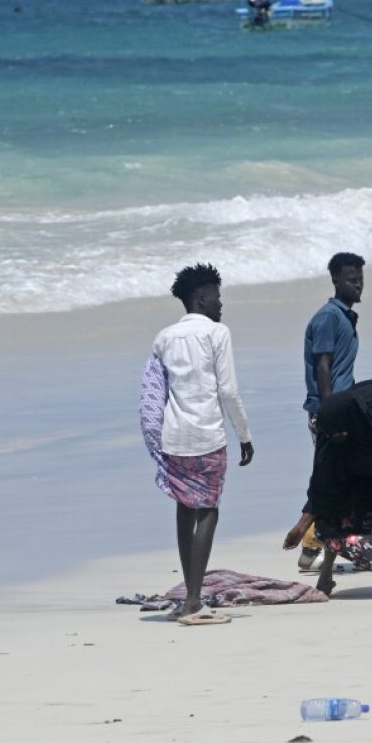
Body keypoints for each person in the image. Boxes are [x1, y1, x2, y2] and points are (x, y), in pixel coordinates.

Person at [140, 263, 254, 617]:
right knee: (208, 510)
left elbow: (154, 392)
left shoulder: (164, 337)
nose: (221, 304)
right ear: (200, 298)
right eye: (217, 297)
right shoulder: (217, 333)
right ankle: (193, 599)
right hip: (207, 435)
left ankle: (189, 598)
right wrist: (244, 435)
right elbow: (229, 391)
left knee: (184, 508)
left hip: (173, 438)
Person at [283, 379, 372, 598]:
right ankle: (325, 575)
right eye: (333, 436)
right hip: (362, 438)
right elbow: (323, 482)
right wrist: (302, 525)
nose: (336, 439)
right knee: (338, 495)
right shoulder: (329, 427)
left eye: (339, 435)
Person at [297, 251, 365, 570]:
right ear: (335, 280)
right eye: (351, 280)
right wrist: (330, 412)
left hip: (341, 409)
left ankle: (314, 546)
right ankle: (312, 545)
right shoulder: (328, 317)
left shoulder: (345, 316)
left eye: (360, 279)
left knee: (337, 477)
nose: (357, 285)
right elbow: (322, 366)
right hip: (329, 413)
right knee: (334, 479)